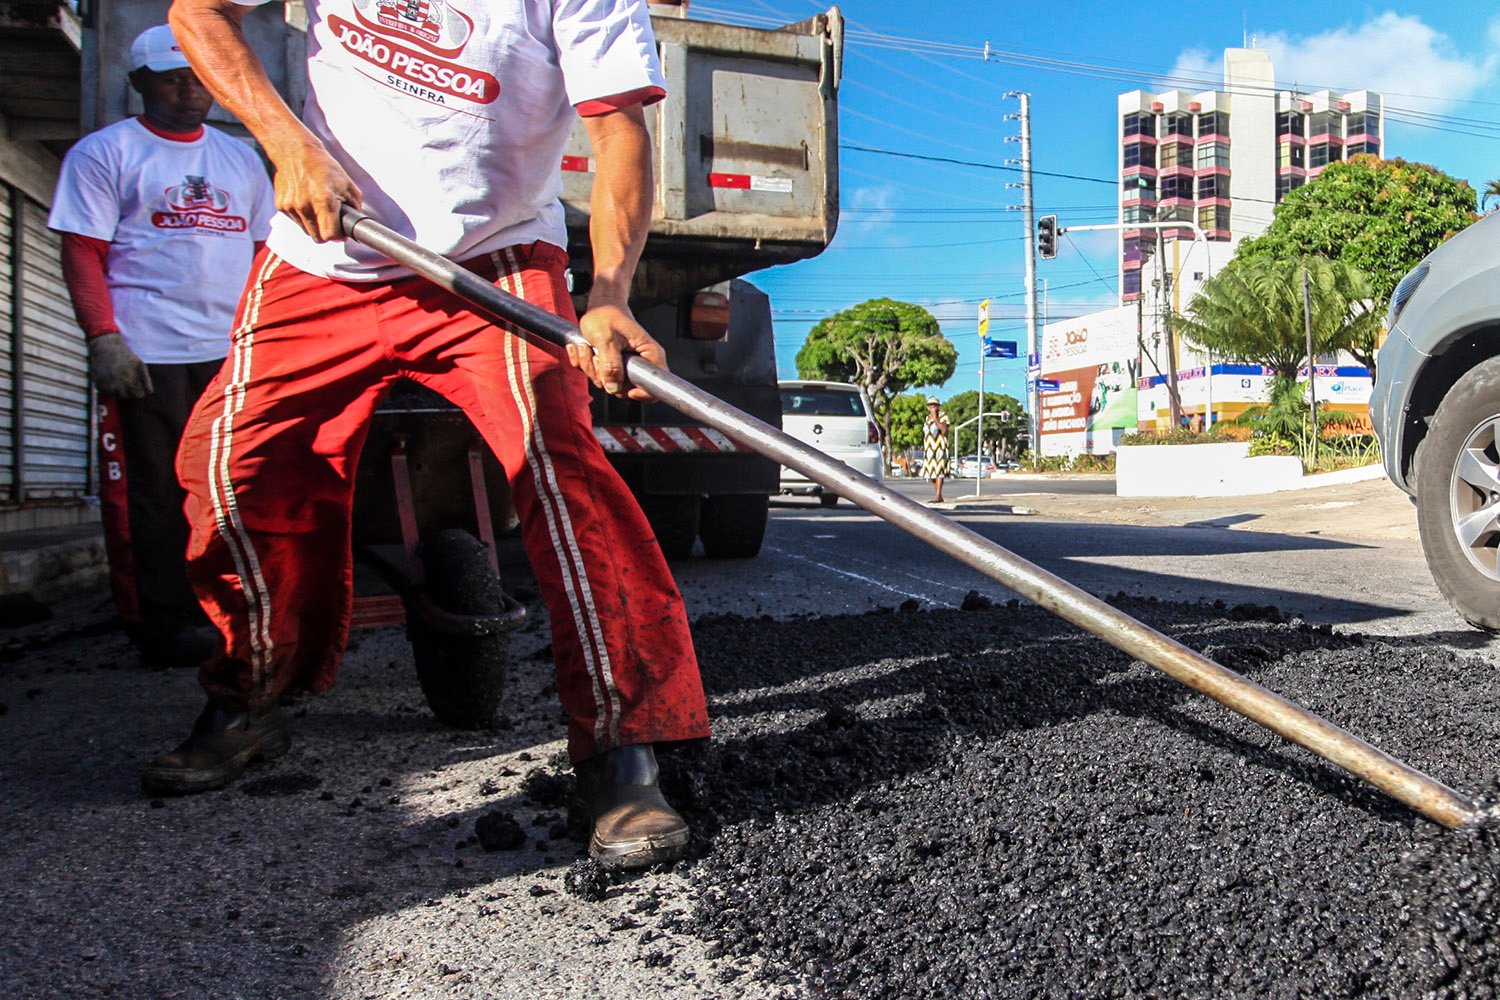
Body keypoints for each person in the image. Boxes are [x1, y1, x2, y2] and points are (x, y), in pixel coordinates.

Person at [153, 0, 710, 870]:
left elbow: (618, 133)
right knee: (230, 468)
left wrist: (609, 293)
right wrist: (288, 143)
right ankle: (249, 696)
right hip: (322, 258)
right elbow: (198, 13)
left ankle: (622, 752)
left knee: (562, 471)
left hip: (495, 259)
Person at [48, 25, 274, 667]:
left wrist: (263, 338)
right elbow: (82, 251)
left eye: (200, 79)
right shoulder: (105, 153)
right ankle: (161, 623)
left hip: (228, 351)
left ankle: (233, 611)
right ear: (139, 84)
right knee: (151, 493)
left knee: (231, 486)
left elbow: (264, 254)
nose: (190, 91)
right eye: (173, 80)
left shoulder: (239, 160)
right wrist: (104, 339)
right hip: (147, 354)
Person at [922, 396, 951, 504]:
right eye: (930, 405)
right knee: (931, 472)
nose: (932, 407)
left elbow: (944, 431)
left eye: (934, 405)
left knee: (939, 471)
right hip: (929, 449)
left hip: (939, 448)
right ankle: (938, 495)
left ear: (938, 406)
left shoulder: (943, 416)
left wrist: (935, 419)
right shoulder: (927, 418)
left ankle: (938, 494)